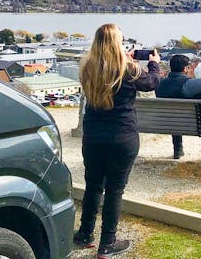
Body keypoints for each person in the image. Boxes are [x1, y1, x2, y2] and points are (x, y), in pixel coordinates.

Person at [73, 23, 160, 258]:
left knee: (93, 185)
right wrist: (154, 63)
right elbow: (152, 82)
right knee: (114, 190)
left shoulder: (86, 66)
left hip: (93, 136)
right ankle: (108, 243)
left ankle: (85, 234)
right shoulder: (129, 69)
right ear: (117, 43)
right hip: (122, 136)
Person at [155, 54, 201, 162]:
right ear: (185, 68)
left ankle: (178, 150)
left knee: (174, 113)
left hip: (168, 122)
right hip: (192, 124)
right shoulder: (187, 84)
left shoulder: (160, 84)